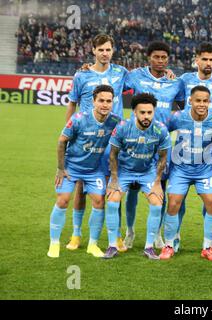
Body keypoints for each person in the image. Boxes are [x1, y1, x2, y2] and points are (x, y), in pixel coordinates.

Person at [65, 34, 128, 252]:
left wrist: (166, 72)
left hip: (112, 140)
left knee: (113, 187)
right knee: (81, 188)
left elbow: (143, 78)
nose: (104, 53)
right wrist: (69, 131)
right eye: (100, 49)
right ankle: (76, 234)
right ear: (93, 50)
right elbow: (72, 104)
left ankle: (116, 235)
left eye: (108, 49)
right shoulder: (81, 75)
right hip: (86, 140)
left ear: (113, 51)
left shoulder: (121, 73)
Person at [47, 85, 121, 258]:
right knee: (63, 200)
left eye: (108, 101)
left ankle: (93, 245)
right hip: (71, 168)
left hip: (94, 170)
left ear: (113, 103)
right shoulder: (79, 118)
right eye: (101, 100)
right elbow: (61, 141)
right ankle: (54, 243)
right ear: (93, 101)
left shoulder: (115, 121)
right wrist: (60, 168)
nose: (105, 104)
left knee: (98, 201)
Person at [123, 41, 184, 249]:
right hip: (136, 142)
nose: (160, 61)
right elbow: (113, 84)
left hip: (161, 145)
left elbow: (185, 109)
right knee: (132, 189)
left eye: (164, 57)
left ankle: (157, 233)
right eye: (156, 57)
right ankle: (129, 231)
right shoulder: (136, 76)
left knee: (161, 188)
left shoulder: (175, 83)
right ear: (149, 57)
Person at [175, 42, 212, 252]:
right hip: (185, 145)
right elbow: (179, 105)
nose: (208, 63)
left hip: (211, 148)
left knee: (210, 198)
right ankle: (175, 237)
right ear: (196, 59)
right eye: (204, 59)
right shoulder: (184, 80)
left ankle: (209, 243)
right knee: (177, 197)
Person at [161, 86, 212, 261]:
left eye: (205, 101)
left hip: (205, 170)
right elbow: (162, 132)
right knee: (173, 204)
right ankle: (168, 245)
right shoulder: (178, 117)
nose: (202, 104)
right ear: (190, 101)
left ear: (210, 102)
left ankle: (208, 247)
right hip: (180, 169)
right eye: (198, 100)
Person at [103, 93, 171, 259]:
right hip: (124, 171)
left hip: (147, 172)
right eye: (142, 112)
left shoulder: (160, 129)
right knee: (112, 201)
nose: (146, 116)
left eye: (149, 112)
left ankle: (149, 247)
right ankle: (112, 245)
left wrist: (157, 183)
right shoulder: (122, 127)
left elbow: (163, 157)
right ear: (134, 112)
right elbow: (112, 154)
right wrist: (114, 179)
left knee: (157, 203)